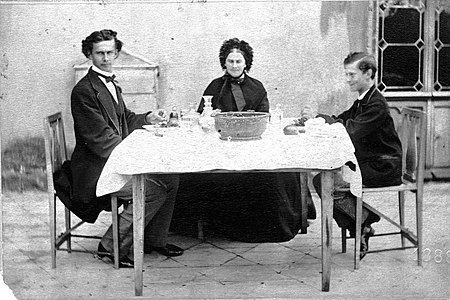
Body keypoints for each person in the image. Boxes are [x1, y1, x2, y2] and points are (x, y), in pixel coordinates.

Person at [172, 38, 315, 243]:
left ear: (246, 62)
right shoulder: (214, 86)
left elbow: (264, 116)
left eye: (238, 61)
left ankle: (272, 223)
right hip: (224, 146)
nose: (234, 66)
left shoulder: (257, 87)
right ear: (224, 62)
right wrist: (212, 116)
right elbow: (201, 118)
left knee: (276, 173)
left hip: (253, 143)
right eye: (230, 61)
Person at [70, 29, 183, 268]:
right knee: (151, 191)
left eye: (110, 52)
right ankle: (109, 247)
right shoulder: (84, 91)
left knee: (171, 178)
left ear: (117, 52)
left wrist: (147, 118)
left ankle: (153, 240)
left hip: (112, 160)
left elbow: (124, 119)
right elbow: (102, 139)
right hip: (95, 169)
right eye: (100, 53)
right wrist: (139, 154)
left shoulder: (108, 83)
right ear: (89, 54)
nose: (106, 58)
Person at [304, 52, 402, 259]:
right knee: (323, 180)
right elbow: (341, 119)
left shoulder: (376, 104)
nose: (347, 79)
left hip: (383, 167)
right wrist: (317, 119)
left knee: (327, 181)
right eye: (346, 74)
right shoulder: (363, 100)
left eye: (351, 74)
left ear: (368, 74)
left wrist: (320, 120)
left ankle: (363, 221)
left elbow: (350, 129)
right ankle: (361, 224)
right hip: (369, 162)